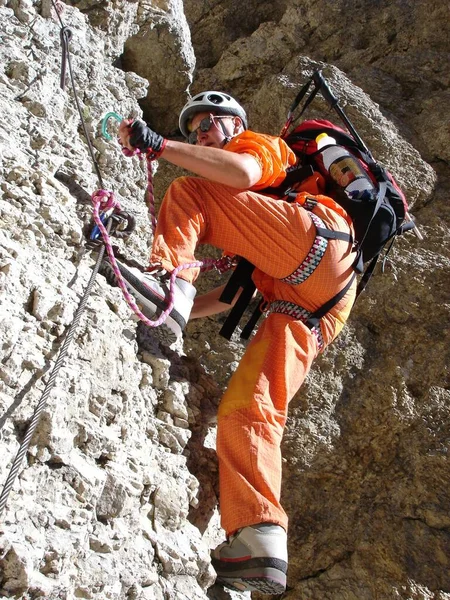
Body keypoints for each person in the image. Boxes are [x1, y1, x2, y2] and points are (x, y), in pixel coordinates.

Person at [106, 91, 357, 594]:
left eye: (208, 123)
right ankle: (259, 534)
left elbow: (239, 175)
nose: (201, 132)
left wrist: (159, 144)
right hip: (314, 303)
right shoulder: (265, 214)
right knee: (248, 409)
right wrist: (143, 290)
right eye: (194, 127)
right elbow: (228, 295)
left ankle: (168, 274)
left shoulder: (262, 147)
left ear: (235, 123)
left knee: (190, 193)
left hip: (320, 241)